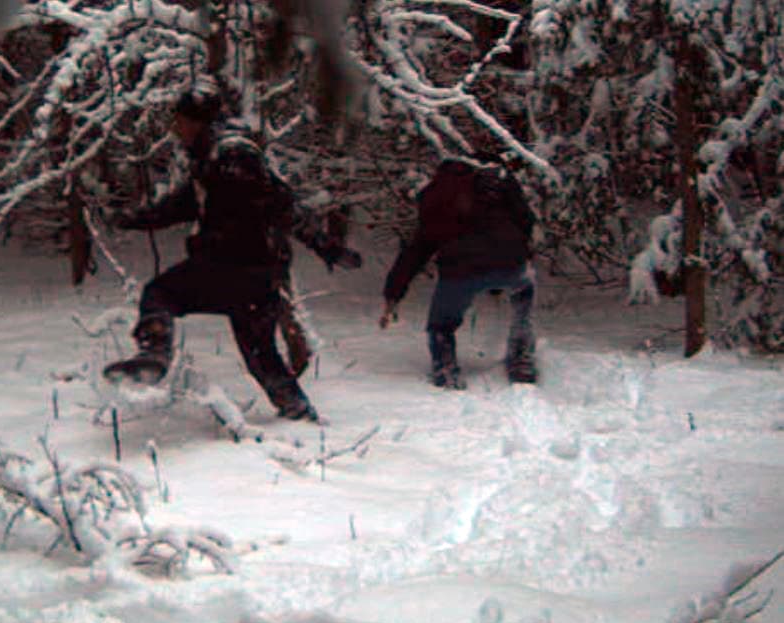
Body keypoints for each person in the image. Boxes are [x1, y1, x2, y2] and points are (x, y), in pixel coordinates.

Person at [104, 81, 361, 421]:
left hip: (234, 266)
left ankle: (154, 356)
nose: (175, 130)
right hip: (257, 275)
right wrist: (131, 219)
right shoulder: (212, 159)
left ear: (197, 121)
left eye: (179, 121)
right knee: (260, 353)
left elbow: (280, 204)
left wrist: (324, 246)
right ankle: (299, 413)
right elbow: (182, 206)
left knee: (160, 293)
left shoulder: (232, 156)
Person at [379, 153, 538, 389]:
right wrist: (517, 251)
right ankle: (521, 359)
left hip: (460, 271)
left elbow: (417, 250)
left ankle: (446, 371)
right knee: (524, 293)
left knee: (441, 325)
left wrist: (393, 295)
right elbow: (526, 220)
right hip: (511, 263)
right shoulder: (498, 181)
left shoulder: (436, 195)